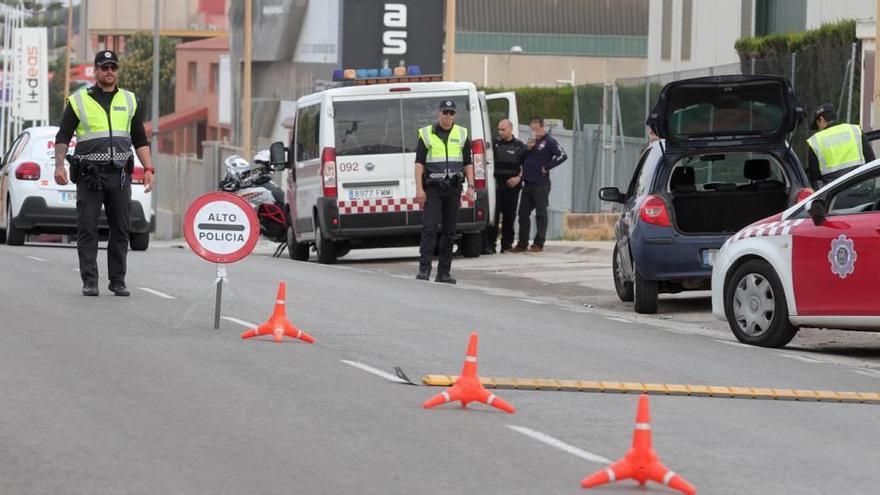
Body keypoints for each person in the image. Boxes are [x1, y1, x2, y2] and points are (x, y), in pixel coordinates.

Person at [54, 50, 155, 297]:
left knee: (121, 229)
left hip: (120, 176)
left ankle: (117, 281)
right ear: (95, 71)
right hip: (90, 176)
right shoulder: (79, 101)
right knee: (87, 228)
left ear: (117, 71)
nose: (109, 71)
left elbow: (139, 139)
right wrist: (59, 165)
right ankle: (90, 281)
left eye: (113, 67)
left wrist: (149, 168)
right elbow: (63, 136)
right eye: (104, 67)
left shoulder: (129, 100)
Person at [414, 100, 475, 284]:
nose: (448, 116)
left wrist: (471, 185)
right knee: (430, 228)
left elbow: (467, 163)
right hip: (433, 188)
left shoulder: (462, 134)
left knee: (449, 231)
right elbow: (419, 164)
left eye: (451, 113)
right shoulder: (426, 134)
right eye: (445, 112)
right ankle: (424, 269)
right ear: (438, 114)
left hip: (454, 188)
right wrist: (419, 189)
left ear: (454, 115)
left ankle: (444, 273)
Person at [509, 117, 567, 253]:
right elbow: (520, 158)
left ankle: (538, 242)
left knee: (541, 213)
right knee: (523, 213)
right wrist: (527, 149)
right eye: (532, 129)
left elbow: (562, 155)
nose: (534, 132)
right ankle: (522, 243)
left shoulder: (549, 141)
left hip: (541, 183)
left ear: (542, 127)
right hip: (528, 182)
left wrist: (547, 166)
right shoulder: (531, 142)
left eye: (535, 129)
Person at [805, 103, 875, 189]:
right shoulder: (855, 130)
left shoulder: (816, 141)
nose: (819, 129)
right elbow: (871, 160)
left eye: (817, 125)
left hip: (835, 194)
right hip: (861, 189)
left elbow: (814, 176)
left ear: (821, 119)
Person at [491, 119, 526, 253]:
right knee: (494, 215)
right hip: (497, 183)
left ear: (510, 129)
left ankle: (506, 244)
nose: (500, 132)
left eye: (503, 129)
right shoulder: (494, 144)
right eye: (499, 129)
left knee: (509, 215)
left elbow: (526, 166)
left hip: (512, 185)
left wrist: (518, 178)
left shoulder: (519, 146)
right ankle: (491, 243)